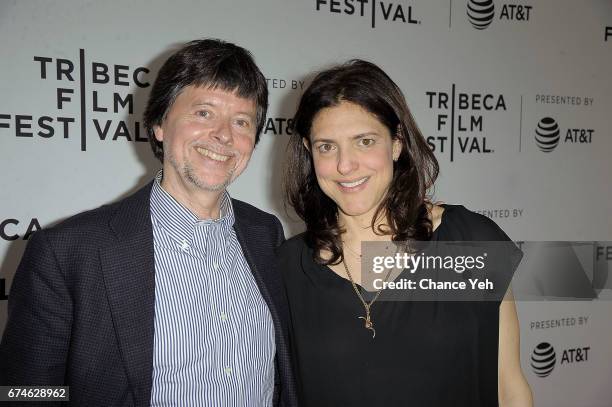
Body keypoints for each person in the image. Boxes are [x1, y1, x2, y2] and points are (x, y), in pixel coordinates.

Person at [0, 39, 296, 406]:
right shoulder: (67, 252)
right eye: (203, 113)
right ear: (159, 124)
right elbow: (26, 395)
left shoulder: (266, 234)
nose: (224, 135)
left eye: (241, 121)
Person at [280, 59, 533, 406]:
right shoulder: (288, 268)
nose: (344, 164)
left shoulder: (469, 242)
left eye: (365, 141)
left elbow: (509, 386)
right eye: (327, 146)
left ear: (396, 143)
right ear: (309, 153)